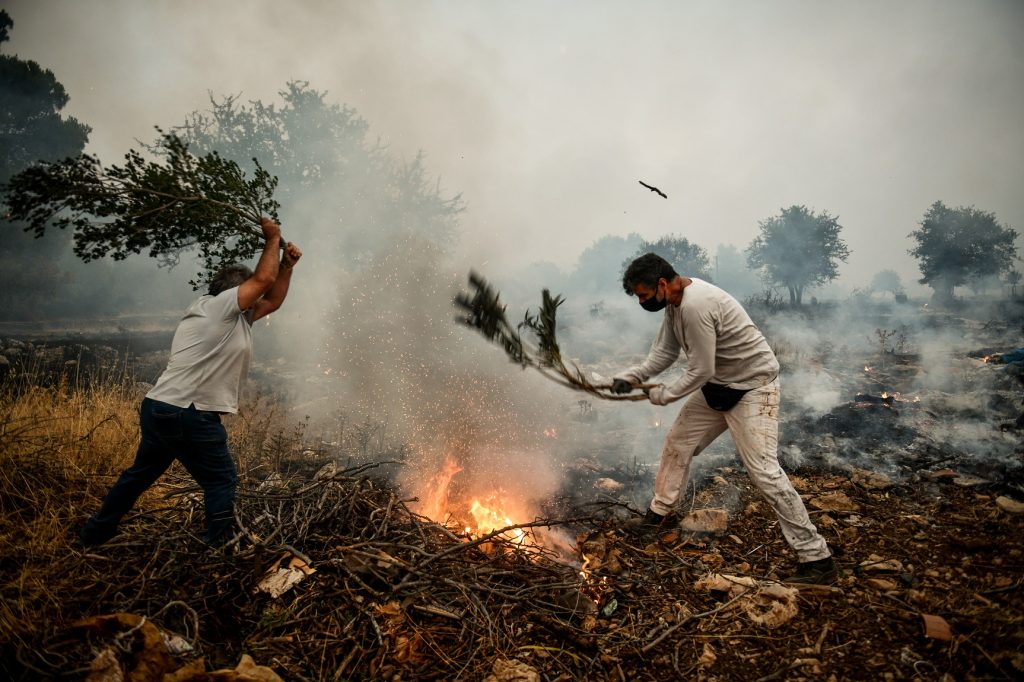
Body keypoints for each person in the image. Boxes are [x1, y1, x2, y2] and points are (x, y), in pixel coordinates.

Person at [612, 253, 836, 584]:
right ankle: (660, 516)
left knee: (764, 472)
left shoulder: (695, 305)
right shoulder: (675, 304)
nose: (642, 302)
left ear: (661, 284)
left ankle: (817, 559)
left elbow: (702, 369)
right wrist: (633, 376)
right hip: (720, 387)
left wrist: (664, 395)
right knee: (679, 443)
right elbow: (665, 353)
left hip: (753, 387)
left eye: (644, 295)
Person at [79, 218, 302, 548]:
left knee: (140, 475)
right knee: (221, 478)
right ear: (234, 291)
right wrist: (274, 237)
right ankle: (222, 545)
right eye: (251, 293)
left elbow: (275, 298)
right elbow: (263, 279)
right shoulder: (218, 309)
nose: (258, 299)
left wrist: (286, 265)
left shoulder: (234, 315)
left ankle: (95, 534)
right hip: (189, 412)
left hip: (162, 407)